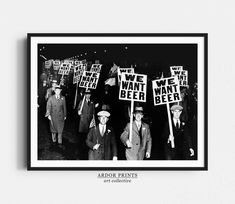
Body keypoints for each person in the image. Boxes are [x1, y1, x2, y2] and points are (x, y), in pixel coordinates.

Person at [77, 89, 95, 159]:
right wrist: (79, 112)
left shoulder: (92, 102)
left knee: (89, 136)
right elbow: (78, 109)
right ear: (85, 95)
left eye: (89, 94)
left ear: (90, 95)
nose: (88, 95)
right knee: (82, 137)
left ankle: (87, 148)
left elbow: (93, 111)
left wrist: (93, 120)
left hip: (89, 122)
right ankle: (81, 151)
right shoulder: (82, 102)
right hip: (83, 122)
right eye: (86, 94)